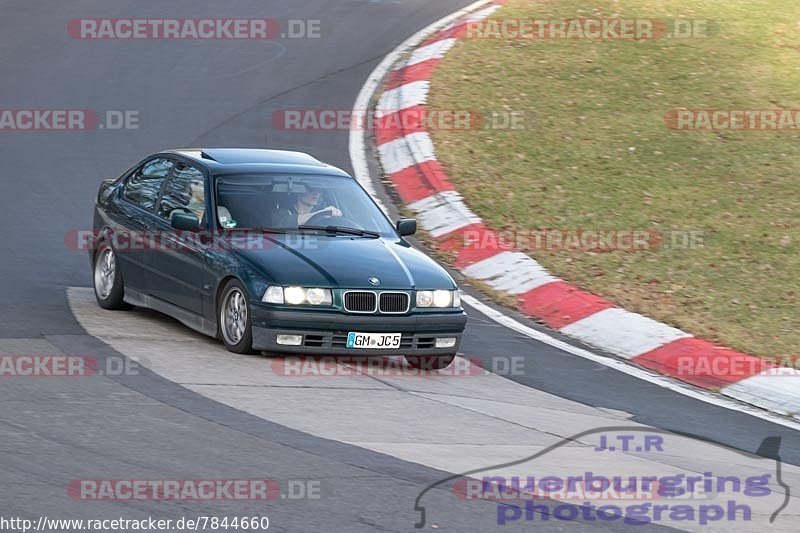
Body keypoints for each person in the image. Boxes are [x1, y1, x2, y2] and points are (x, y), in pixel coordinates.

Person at [274, 187, 341, 227]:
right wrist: (323, 213)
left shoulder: (324, 216)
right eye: (311, 189)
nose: (317, 193)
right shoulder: (281, 212)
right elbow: (286, 223)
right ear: (298, 192)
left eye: (319, 191)